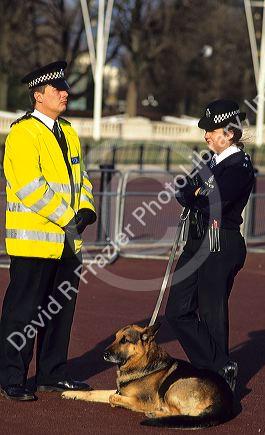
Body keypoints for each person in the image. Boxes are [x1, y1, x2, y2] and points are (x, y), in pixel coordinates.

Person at [0, 61, 96, 401]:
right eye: (59, 90)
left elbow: (79, 176)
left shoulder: (68, 131)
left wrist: (87, 206)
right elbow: (29, 186)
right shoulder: (22, 133)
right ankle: (11, 376)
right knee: (23, 313)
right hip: (33, 243)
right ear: (39, 96)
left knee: (60, 312)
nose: (66, 93)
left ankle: (52, 375)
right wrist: (69, 216)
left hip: (67, 243)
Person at [165, 99, 255, 392]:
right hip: (196, 241)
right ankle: (217, 366)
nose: (206, 135)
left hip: (220, 243)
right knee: (177, 311)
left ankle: (218, 379)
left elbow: (213, 201)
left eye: (212, 129)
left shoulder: (239, 166)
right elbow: (185, 188)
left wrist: (194, 194)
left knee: (212, 313)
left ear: (229, 133)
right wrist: (193, 194)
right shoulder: (211, 161)